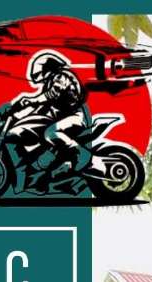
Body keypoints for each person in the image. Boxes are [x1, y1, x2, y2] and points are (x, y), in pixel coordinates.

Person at [5, 51, 90, 191]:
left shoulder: (62, 77)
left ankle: (80, 153)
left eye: (40, 74)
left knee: (50, 133)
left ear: (47, 68)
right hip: (59, 118)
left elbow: (50, 95)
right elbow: (41, 109)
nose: (40, 79)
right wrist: (18, 117)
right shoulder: (50, 82)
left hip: (74, 118)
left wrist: (30, 100)